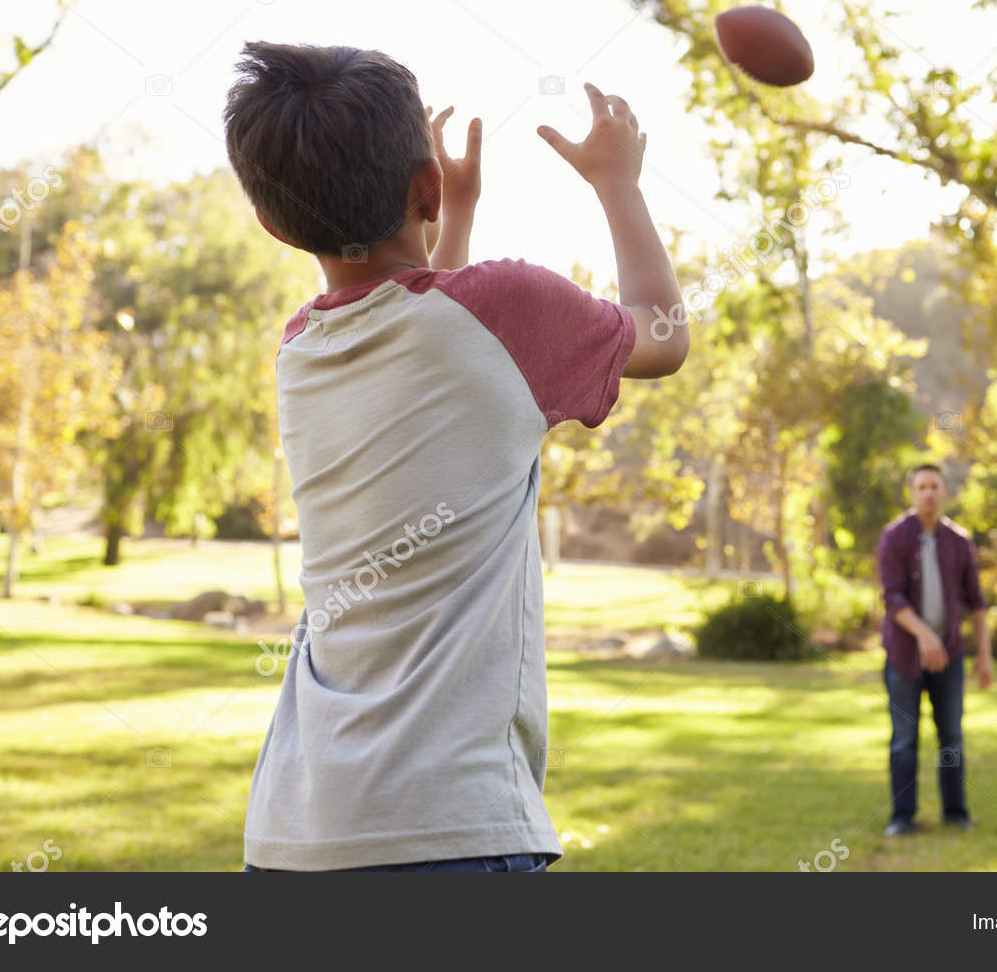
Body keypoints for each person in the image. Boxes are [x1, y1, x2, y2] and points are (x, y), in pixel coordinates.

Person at [224, 42, 688, 871]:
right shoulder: (506, 305)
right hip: (451, 826)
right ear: (425, 187)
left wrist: (454, 214)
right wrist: (617, 181)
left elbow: (434, 332)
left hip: (293, 831)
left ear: (273, 225)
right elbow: (664, 333)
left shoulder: (301, 350)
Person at [878, 462, 993, 836]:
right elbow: (892, 598)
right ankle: (902, 817)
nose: (928, 493)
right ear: (912, 493)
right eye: (921, 486)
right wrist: (925, 635)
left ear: (944, 492)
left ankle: (956, 813)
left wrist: (985, 654)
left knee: (952, 737)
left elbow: (976, 601)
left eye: (934, 486)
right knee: (904, 739)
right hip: (904, 657)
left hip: (950, 656)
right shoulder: (894, 537)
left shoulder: (959, 541)